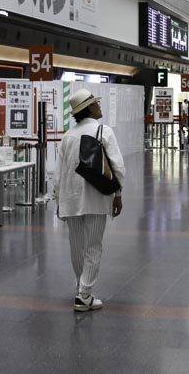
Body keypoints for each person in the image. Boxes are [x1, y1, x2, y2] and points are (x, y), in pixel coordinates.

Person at [54, 89, 125, 312]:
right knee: (93, 246)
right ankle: (84, 294)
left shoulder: (67, 136)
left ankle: (81, 289)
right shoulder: (105, 131)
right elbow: (118, 168)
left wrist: (58, 200)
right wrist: (118, 195)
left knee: (77, 246)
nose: (99, 107)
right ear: (90, 108)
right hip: (96, 197)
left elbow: (59, 173)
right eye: (96, 103)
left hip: (71, 200)